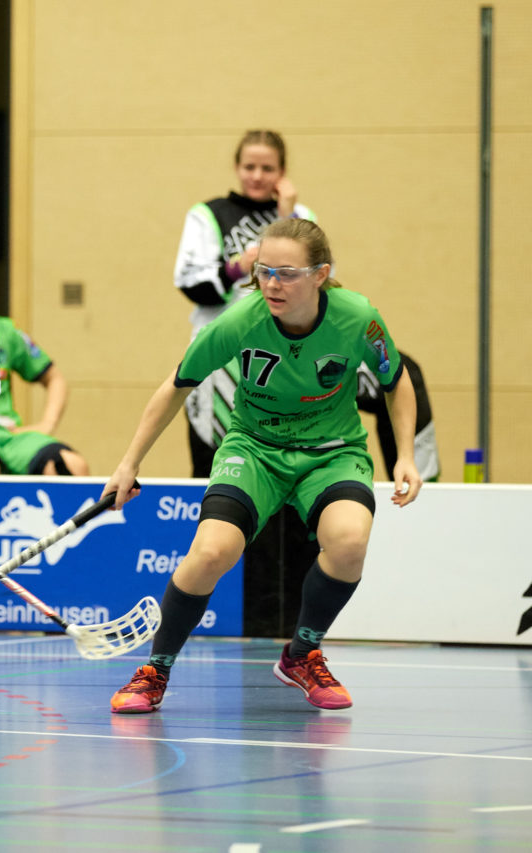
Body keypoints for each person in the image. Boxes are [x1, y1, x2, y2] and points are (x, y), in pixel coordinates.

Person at [103, 218, 421, 714]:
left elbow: (396, 380)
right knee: (210, 552)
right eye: (263, 270)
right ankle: (154, 670)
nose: (271, 283)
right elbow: (177, 384)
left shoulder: (358, 317)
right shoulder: (238, 320)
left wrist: (405, 455)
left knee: (349, 541)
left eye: (286, 273)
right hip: (253, 449)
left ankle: (302, 653)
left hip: (332, 451)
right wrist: (129, 463)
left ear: (321, 274)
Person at [174, 129, 315, 475]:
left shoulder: (301, 217)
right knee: (214, 467)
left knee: (279, 468)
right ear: (236, 167)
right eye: (249, 166)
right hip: (218, 354)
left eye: (267, 168)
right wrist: (241, 264)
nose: (257, 176)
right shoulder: (208, 214)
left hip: (284, 358)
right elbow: (190, 283)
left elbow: (319, 281)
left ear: (282, 173)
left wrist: (288, 216)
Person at [0, 244, 89, 476]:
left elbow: (55, 379)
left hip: (9, 435)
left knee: (72, 465)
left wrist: (47, 424)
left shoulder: (6, 331)